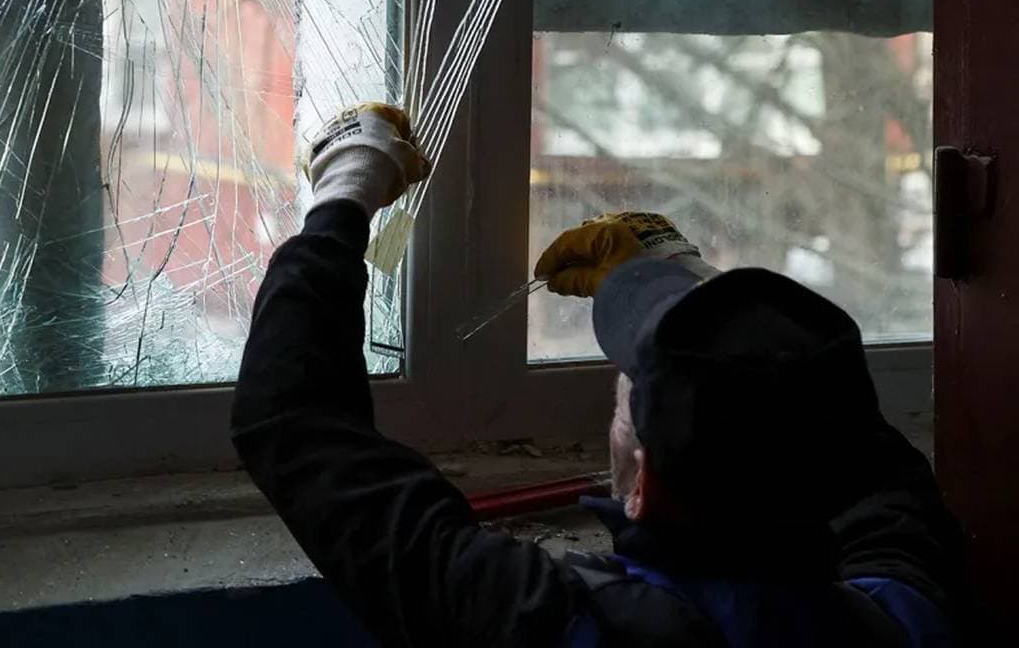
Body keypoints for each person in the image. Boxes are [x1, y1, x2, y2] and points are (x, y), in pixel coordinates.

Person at [231, 102, 965, 645]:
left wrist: (344, 191)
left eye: (625, 399)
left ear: (641, 488)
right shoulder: (904, 616)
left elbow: (293, 424)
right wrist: (691, 288)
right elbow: (862, 456)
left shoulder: (557, 626)